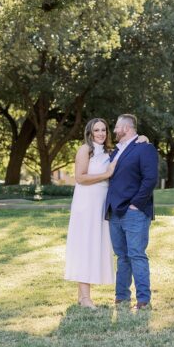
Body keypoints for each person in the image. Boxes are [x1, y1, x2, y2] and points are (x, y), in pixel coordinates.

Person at [105, 113, 159, 310]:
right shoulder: (116, 151)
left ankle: (143, 300)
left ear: (126, 128)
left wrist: (136, 204)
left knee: (136, 254)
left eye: (116, 127)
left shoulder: (144, 148)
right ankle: (121, 297)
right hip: (114, 211)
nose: (114, 131)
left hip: (134, 212)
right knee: (122, 256)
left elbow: (150, 179)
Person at [65, 118, 118, 307]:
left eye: (104, 130)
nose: (101, 133)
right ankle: (86, 298)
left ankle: (82, 297)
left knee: (94, 245)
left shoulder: (109, 152)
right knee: (85, 245)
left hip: (101, 204)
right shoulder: (85, 149)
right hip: (86, 203)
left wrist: (143, 138)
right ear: (90, 133)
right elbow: (80, 178)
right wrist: (106, 174)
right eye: (97, 130)